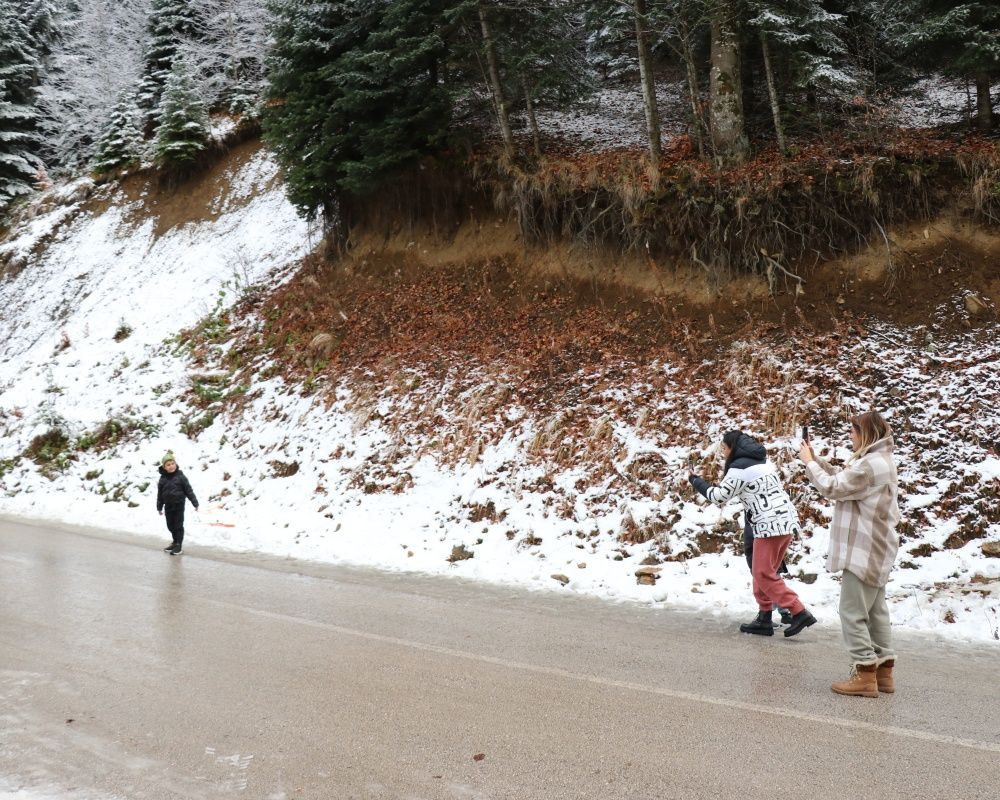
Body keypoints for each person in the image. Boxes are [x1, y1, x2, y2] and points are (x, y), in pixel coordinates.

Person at [799, 411, 900, 698]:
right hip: (876, 546)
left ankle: (865, 672)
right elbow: (845, 480)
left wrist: (808, 464)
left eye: (853, 432)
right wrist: (816, 460)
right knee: (876, 611)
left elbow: (833, 487)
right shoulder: (875, 461)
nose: (850, 437)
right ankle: (884, 671)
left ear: (866, 434)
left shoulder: (870, 466)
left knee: (852, 611)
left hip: (864, 549)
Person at [690, 430, 816, 638]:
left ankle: (798, 611)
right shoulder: (762, 462)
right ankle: (764, 617)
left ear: (732, 448)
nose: (722, 453)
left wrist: (695, 481)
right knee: (765, 570)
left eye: (723, 448)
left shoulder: (739, 468)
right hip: (784, 520)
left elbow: (719, 497)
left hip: (768, 525)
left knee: (762, 573)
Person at [156, 451, 199, 555]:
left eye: (172, 464)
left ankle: (179, 545)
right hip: (168, 505)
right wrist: (159, 506)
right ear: (164, 467)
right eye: (168, 465)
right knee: (170, 525)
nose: (171, 466)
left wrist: (195, 502)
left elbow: (189, 490)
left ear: (175, 464)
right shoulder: (162, 479)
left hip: (179, 505)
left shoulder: (181, 477)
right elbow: (160, 494)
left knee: (178, 525)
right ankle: (175, 542)